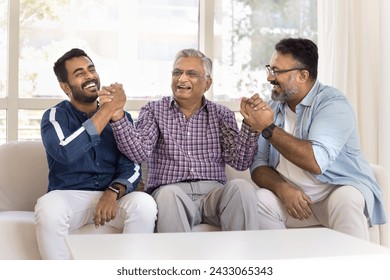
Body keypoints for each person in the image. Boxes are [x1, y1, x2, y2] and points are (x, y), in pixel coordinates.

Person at [241, 38, 386, 240]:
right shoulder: (273, 107)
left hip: (332, 192)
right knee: (260, 200)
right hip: (293, 199)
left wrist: (266, 126)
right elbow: (258, 165)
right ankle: (280, 266)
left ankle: (356, 268)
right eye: (269, 69)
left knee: (347, 199)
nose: (269, 77)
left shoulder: (333, 104)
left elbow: (315, 161)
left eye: (276, 71)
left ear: (302, 75)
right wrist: (283, 189)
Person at [103, 48, 261, 232]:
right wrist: (118, 116)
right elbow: (139, 152)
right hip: (171, 191)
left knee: (242, 188)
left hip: (214, 193)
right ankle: (179, 261)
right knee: (169, 195)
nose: (182, 79)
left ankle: (243, 260)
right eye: (177, 73)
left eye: (191, 74)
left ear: (207, 83)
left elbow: (240, 162)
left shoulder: (221, 114)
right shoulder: (154, 110)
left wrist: (251, 125)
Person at [35, 48, 157, 259]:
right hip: (69, 197)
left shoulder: (121, 117)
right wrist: (106, 111)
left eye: (91, 69)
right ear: (65, 87)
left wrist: (113, 191)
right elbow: (65, 152)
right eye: (79, 73)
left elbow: (133, 165)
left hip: (112, 197)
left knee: (144, 205)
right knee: (47, 208)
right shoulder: (55, 115)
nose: (89, 75)